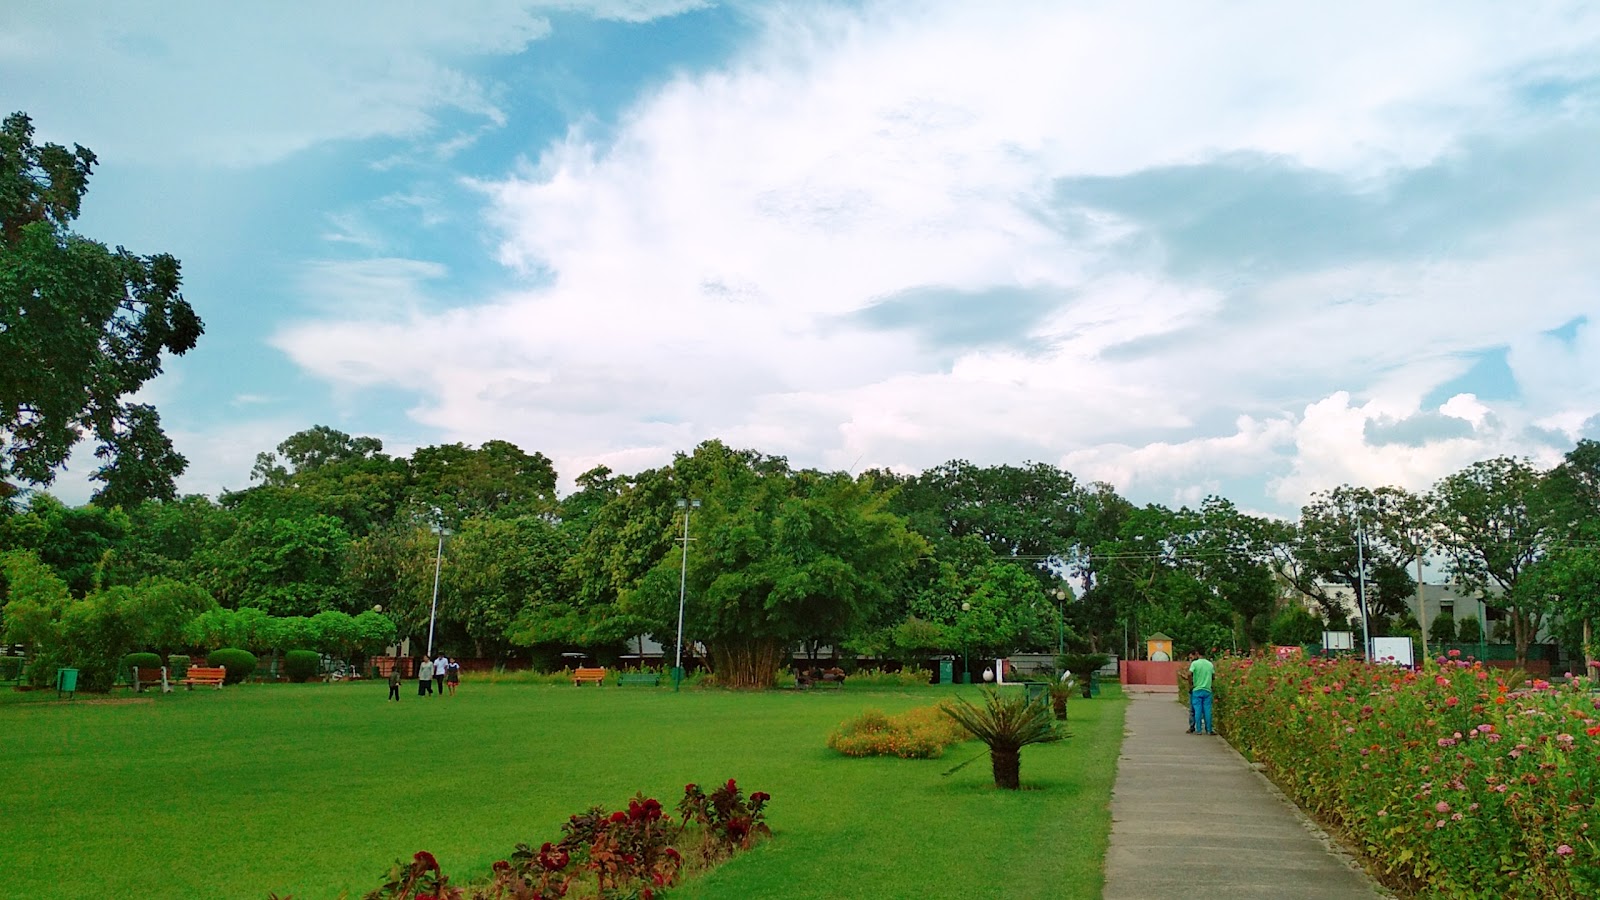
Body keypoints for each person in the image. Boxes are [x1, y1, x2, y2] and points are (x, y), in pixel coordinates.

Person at [1189, 649, 1216, 735]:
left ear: (1197, 653)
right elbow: (1213, 676)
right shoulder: (1210, 664)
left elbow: (1189, 674)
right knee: (1207, 710)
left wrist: (1191, 684)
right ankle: (1209, 729)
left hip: (1197, 689)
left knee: (1198, 710)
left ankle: (1199, 730)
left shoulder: (1195, 664)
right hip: (1207, 690)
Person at [1178, 651, 1196, 732]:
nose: (1190, 659)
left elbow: (1189, 676)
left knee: (1192, 709)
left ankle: (1192, 726)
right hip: (1202, 688)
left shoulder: (1194, 665)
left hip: (1194, 689)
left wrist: (1184, 676)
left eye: (1191, 657)